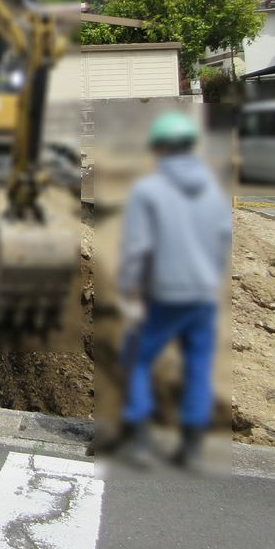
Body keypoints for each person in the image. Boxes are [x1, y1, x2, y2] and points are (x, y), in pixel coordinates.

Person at [117, 110, 232, 468]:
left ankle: (138, 437)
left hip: (163, 295)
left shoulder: (148, 191)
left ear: (160, 148)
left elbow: (137, 247)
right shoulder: (213, 190)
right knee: (198, 365)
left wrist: (129, 288)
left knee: (135, 358)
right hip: (203, 295)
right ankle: (192, 446)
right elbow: (223, 241)